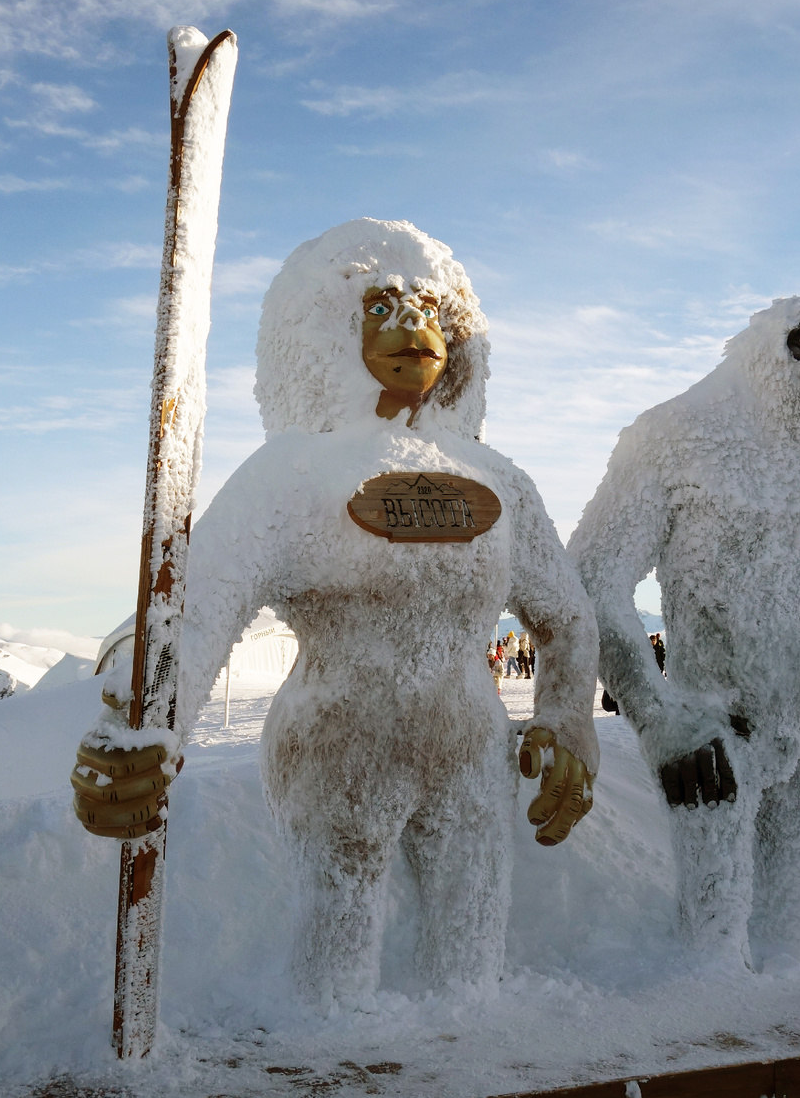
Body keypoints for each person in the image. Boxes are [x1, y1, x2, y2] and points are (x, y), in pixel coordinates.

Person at [71, 219, 600, 1008]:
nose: (412, 326)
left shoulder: (499, 480)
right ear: (326, 329)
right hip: (335, 755)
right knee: (332, 978)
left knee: (471, 973)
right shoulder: (291, 473)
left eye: (428, 308)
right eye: (382, 305)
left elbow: (567, 618)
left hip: (469, 759)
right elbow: (194, 611)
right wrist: (144, 722)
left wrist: (567, 719)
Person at [568, 295, 800, 967]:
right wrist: (660, 719)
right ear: (763, 347)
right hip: (711, 726)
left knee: (793, 943)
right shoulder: (675, 434)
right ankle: (707, 1029)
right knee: (713, 949)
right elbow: (591, 581)